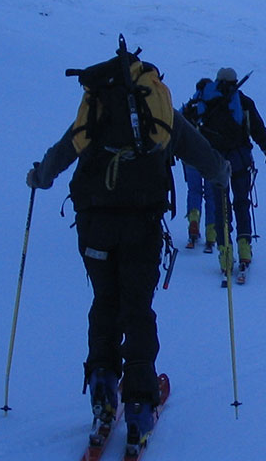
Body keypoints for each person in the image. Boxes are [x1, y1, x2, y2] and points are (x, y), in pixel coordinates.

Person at [26, 50, 229, 451]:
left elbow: (67, 148)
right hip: (141, 225)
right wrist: (221, 175)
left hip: (94, 225)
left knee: (105, 302)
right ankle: (138, 404)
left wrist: (40, 177)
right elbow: (203, 155)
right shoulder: (157, 106)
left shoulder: (99, 103)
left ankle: (103, 393)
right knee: (136, 308)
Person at [192, 67, 266, 276]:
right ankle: (244, 249)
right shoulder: (244, 102)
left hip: (215, 163)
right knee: (242, 203)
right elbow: (258, 130)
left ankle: (224, 254)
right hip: (240, 160)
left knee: (221, 208)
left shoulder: (205, 100)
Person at [179, 78, 214, 248]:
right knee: (210, 194)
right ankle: (211, 232)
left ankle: (193, 224)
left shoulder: (189, 107)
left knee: (194, 191)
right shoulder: (215, 106)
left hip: (190, 157)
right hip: (210, 158)